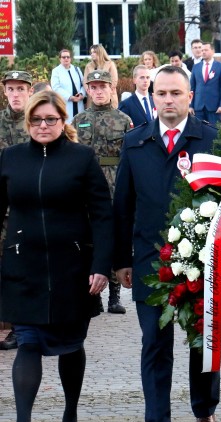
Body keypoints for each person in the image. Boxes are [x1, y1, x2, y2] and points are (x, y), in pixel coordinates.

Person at [113, 66, 220, 422]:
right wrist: (120, 259)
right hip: (148, 261)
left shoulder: (210, 139)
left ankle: (204, 410)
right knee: (154, 344)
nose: (169, 99)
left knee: (200, 339)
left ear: (190, 97)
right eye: (162, 93)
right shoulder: (135, 142)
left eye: (177, 92)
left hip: (200, 260)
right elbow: (122, 206)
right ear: (151, 97)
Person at [0, 90, 113, 422]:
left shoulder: (81, 158)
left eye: (50, 119)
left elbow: (102, 213)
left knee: (70, 344)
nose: (43, 126)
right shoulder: (11, 159)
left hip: (72, 268)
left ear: (63, 121)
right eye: (36, 120)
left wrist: (101, 265)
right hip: (24, 266)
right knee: (28, 340)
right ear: (27, 122)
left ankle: (70, 415)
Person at [73, 70, 132, 314]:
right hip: (87, 186)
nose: (98, 91)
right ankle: (94, 294)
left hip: (115, 183)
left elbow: (129, 158)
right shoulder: (78, 121)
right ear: (88, 90)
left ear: (111, 89)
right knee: (90, 237)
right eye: (94, 87)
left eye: (103, 87)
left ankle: (115, 295)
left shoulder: (123, 120)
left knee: (116, 235)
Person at [0, 70, 33, 351]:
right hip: (3, 205)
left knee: (22, 267)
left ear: (30, 91)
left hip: (27, 207)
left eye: (21, 89)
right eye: (11, 89)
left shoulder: (37, 123)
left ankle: (18, 326)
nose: (16, 94)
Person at [189, 42, 221, 124]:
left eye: (206, 50)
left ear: (213, 51)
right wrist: (190, 106)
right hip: (198, 107)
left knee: (214, 132)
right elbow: (192, 88)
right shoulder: (196, 67)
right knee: (198, 132)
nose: (203, 52)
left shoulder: (220, 67)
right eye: (202, 50)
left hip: (214, 107)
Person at [50, 49, 86, 123]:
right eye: (63, 57)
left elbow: (84, 84)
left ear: (70, 58)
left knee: (80, 125)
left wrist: (82, 94)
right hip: (66, 103)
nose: (66, 59)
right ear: (60, 59)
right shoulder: (56, 71)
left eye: (68, 57)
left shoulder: (77, 69)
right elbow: (56, 87)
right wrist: (69, 97)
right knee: (67, 125)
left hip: (79, 102)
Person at [84, 44, 119, 108]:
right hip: (92, 98)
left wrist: (105, 92)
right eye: (91, 52)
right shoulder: (88, 66)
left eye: (94, 52)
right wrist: (91, 93)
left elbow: (114, 81)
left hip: (109, 98)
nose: (92, 54)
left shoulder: (110, 64)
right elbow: (85, 82)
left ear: (100, 52)